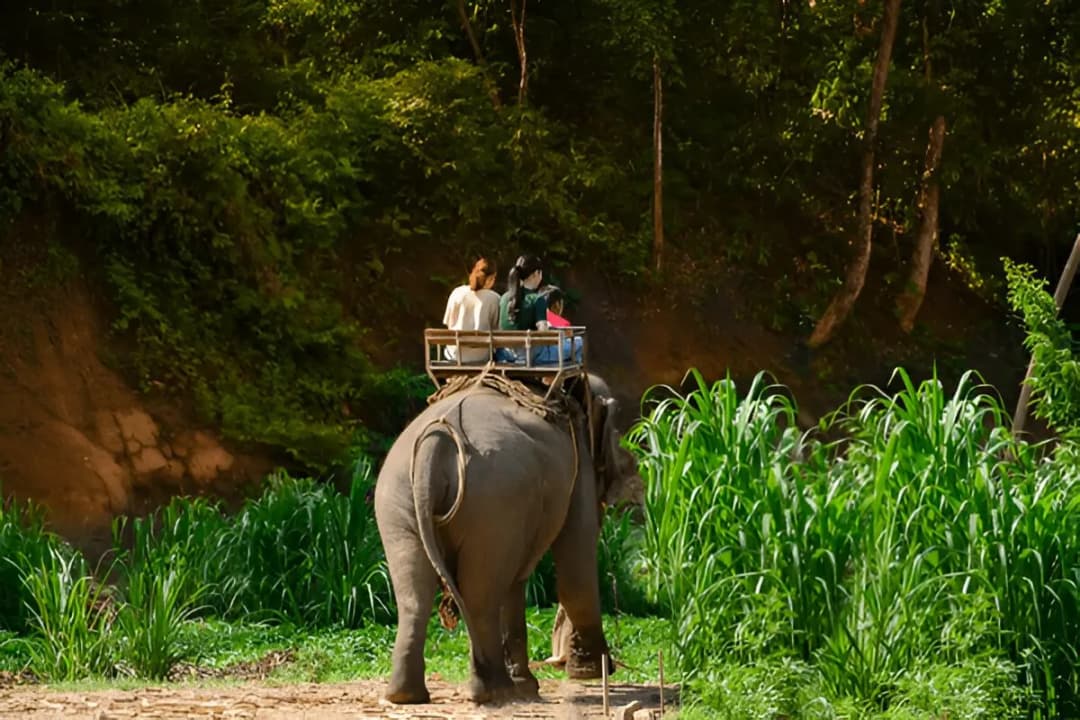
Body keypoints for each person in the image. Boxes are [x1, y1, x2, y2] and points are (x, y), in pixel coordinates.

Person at [442, 257, 501, 363]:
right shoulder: (495, 298)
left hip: (455, 355)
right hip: (481, 357)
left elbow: (449, 324)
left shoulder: (457, 293)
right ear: (489, 279)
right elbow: (497, 329)